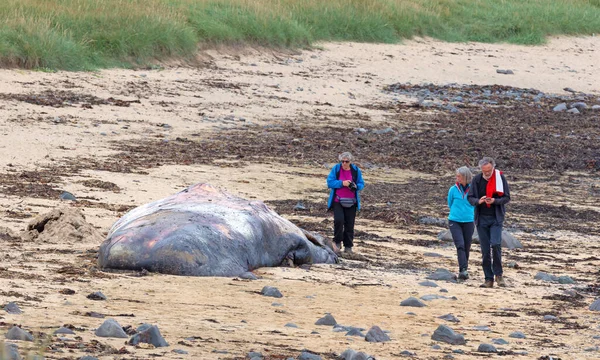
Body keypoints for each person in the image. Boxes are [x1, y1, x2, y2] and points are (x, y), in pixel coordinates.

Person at [468, 157, 511, 288]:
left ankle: (499, 276)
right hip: (481, 219)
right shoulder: (476, 180)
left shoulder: (500, 178)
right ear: (481, 170)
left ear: (493, 167)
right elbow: (470, 198)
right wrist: (479, 201)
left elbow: (507, 197)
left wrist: (494, 201)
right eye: (484, 171)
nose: (487, 174)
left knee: (496, 244)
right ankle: (488, 279)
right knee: (485, 250)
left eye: (489, 171)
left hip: (496, 218)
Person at [326, 152, 365, 254]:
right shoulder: (336, 169)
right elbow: (329, 182)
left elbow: (361, 184)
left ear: (350, 161)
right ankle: (337, 242)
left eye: (346, 161)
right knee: (338, 221)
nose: (344, 163)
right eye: (342, 161)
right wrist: (342, 183)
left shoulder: (356, 170)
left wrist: (356, 186)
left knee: (349, 224)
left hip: (352, 201)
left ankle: (348, 246)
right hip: (337, 200)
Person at [447, 166, 475, 281]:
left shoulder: (473, 190)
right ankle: (463, 269)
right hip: (454, 221)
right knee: (460, 245)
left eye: (459, 176)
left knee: (467, 246)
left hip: (469, 221)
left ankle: (464, 270)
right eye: (456, 175)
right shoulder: (453, 189)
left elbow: (476, 204)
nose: (457, 178)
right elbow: (450, 203)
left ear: (465, 177)